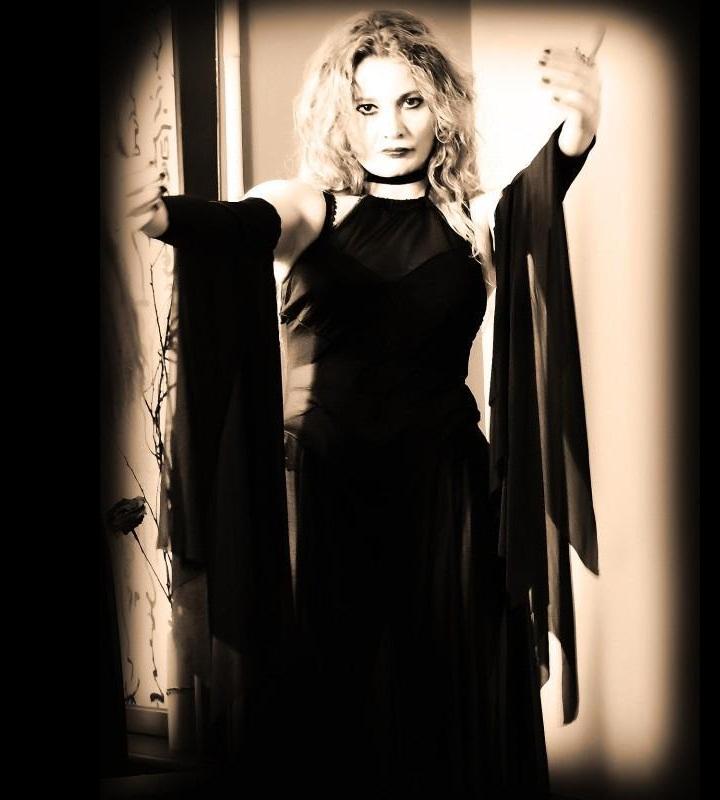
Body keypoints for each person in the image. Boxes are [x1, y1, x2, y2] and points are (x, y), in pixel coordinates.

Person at [121, 8, 601, 797]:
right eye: (368, 106)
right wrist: (165, 216)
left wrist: (580, 127)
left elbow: (540, 194)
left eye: (411, 102)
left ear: (441, 109)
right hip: (322, 492)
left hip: (448, 497)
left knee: (444, 704)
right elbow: (244, 224)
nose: (392, 127)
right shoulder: (312, 205)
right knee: (328, 704)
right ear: (340, 115)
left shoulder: (471, 217)